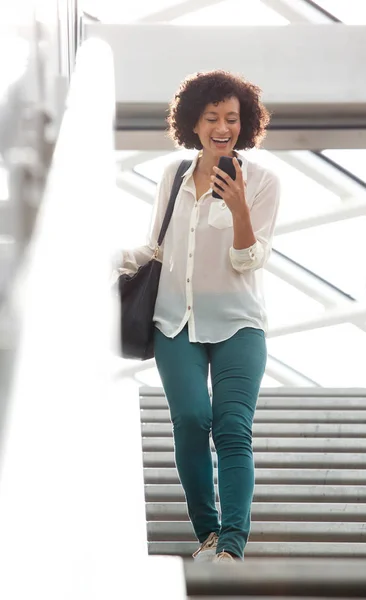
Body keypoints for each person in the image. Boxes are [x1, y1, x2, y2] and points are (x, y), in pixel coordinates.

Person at [117, 70, 280, 563]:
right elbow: (157, 247)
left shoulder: (264, 182)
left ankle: (231, 544)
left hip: (239, 323)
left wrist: (239, 210)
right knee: (190, 419)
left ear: (245, 123)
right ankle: (207, 533)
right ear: (194, 121)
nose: (222, 126)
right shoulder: (174, 176)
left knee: (232, 428)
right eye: (211, 117)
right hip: (174, 322)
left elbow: (250, 260)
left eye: (232, 117)